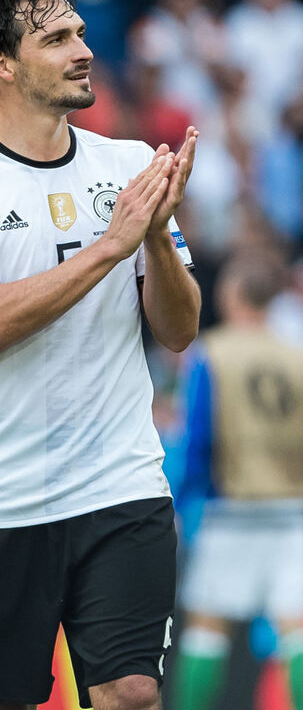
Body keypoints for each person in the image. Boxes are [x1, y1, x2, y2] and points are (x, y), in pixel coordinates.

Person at [0, 0, 201, 710]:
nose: (83, 50)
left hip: (121, 482)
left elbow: (178, 330)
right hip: (2, 497)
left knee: (132, 692)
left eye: (80, 32)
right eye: (57, 39)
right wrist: (111, 245)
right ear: (2, 65)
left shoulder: (130, 166)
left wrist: (156, 236)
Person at [172, 252, 303, 710]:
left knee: (207, 630)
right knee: (295, 629)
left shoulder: (212, 352)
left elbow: (197, 437)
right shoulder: (296, 356)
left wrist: (182, 502)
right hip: (292, 510)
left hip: (230, 510)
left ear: (233, 294)